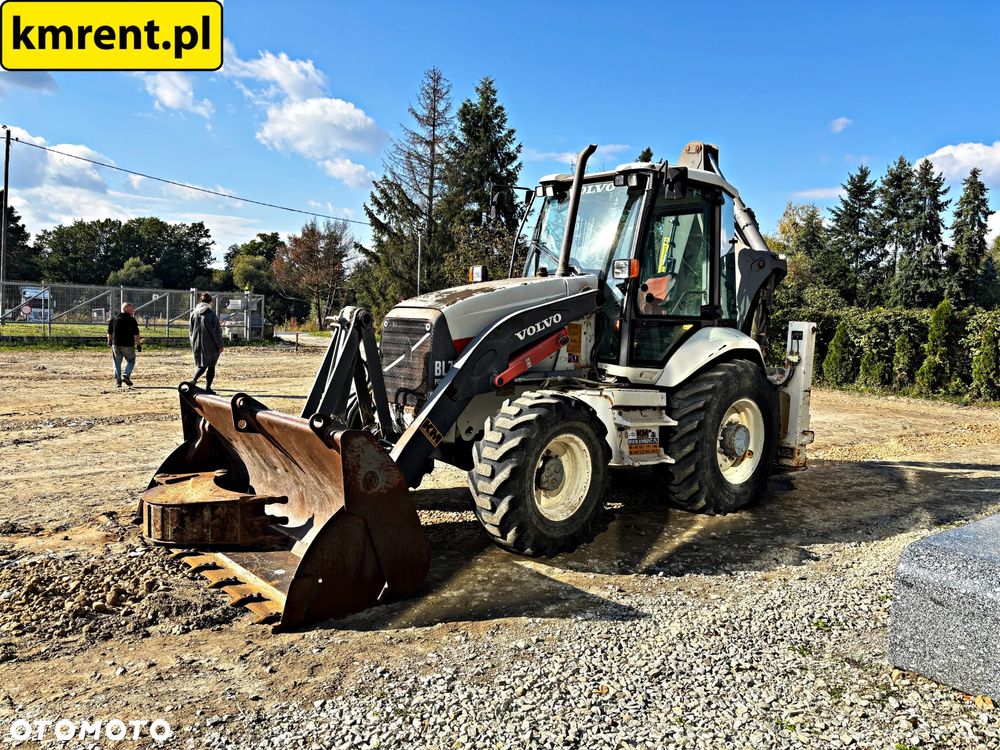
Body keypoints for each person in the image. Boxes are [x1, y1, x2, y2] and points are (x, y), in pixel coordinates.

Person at [189, 292, 224, 393]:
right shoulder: (211, 314)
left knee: (201, 365)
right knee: (211, 366)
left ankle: (194, 380)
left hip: (196, 343)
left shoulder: (194, 313)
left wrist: (193, 342)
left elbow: (190, 330)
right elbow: (216, 332)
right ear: (210, 302)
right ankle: (208, 388)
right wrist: (220, 345)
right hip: (210, 344)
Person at [107, 302, 142, 388]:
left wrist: (109, 341)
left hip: (116, 344)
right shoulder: (132, 320)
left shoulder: (114, 318)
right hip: (128, 345)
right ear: (126, 309)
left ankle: (118, 381)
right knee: (131, 361)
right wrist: (138, 344)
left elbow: (109, 332)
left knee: (117, 363)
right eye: (131, 309)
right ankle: (126, 375)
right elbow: (136, 335)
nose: (133, 310)